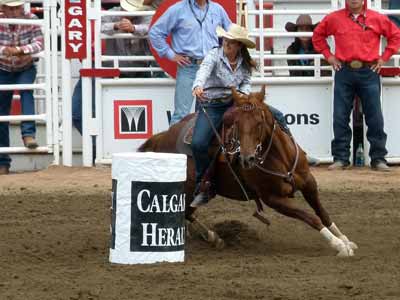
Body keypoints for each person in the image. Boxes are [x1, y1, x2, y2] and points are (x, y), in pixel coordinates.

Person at [312, 0, 400, 171]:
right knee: (340, 115)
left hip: (369, 71)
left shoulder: (377, 18)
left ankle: (378, 158)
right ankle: (341, 157)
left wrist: (383, 58)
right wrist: (329, 57)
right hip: (344, 70)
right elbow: (317, 36)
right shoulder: (334, 19)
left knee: (374, 116)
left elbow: (395, 36)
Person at [149, 0, 231, 126]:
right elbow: (155, 33)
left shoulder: (217, 9)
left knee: (207, 114)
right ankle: (173, 146)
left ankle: (200, 145)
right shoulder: (177, 9)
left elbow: (231, 34)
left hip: (211, 68)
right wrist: (171, 55)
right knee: (182, 115)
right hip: (189, 67)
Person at [0, 0, 44, 175]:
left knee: (26, 92)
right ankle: (3, 161)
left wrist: (18, 49)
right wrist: (10, 50)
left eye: (17, 7)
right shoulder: (30, 19)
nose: (14, 11)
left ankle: (28, 135)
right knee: (2, 113)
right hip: (3, 68)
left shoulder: (32, 18)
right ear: (3, 8)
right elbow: (38, 43)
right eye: (10, 7)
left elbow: (40, 43)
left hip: (23, 66)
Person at [101, 0, 163, 78]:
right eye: (125, 9)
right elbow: (99, 25)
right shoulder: (112, 12)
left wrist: (134, 28)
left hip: (141, 68)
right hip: (114, 68)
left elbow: (151, 27)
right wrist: (115, 26)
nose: (127, 12)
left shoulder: (146, 13)